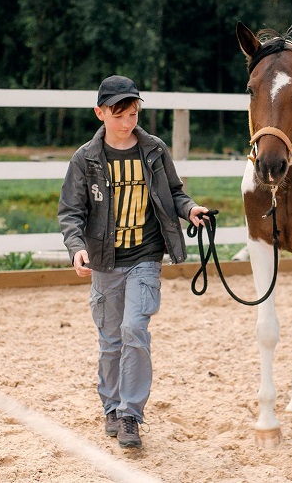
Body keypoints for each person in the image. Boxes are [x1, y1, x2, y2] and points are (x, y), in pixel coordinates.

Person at [58, 75, 208, 449]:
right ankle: (110, 405)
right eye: (119, 114)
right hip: (104, 262)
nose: (127, 122)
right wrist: (76, 247)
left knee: (134, 330)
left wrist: (190, 210)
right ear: (100, 113)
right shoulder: (85, 159)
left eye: (133, 113)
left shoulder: (154, 149)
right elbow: (71, 211)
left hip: (145, 256)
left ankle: (130, 415)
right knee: (110, 340)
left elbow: (174, 192)